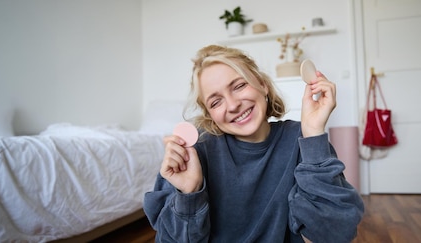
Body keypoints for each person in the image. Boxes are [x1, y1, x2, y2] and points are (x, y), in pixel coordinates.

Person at [143, 45, 364, 243]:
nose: (232, 105)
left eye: (238, 86)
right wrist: (189, 194)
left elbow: (331, 234)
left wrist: (314, 135)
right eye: (216, 101)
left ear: (262, 84)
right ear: (210, 114)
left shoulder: (302, 138)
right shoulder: (194, 152)